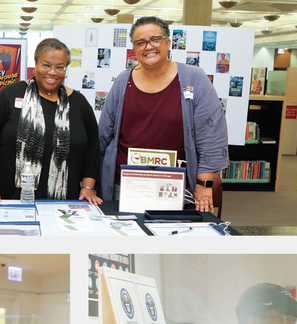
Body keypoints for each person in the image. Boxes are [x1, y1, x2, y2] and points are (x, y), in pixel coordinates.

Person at [98, 16, 229, 212]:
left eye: (155, 39)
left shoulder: (194, 79)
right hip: (125, 185)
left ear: (168, 43)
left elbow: (211, 137)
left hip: (173, 187)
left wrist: (204, 185)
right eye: (140, 42)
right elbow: (103, 135)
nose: (148, 47)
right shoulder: (122, 82)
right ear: (134, 49)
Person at [0, 38, 102, 204]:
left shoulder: (79, 103)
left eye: (60, 67)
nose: (52, 72)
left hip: (65, 206)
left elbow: (92, 150)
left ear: (66, 69)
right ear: (36, 64)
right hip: (9, 200)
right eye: (46, 65)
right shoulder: (9, 96)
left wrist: (88, 187)